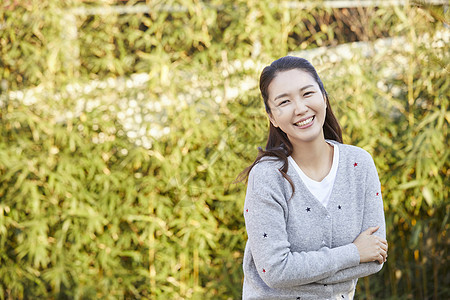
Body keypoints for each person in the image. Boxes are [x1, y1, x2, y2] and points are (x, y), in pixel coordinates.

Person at [239, 56, 387, 300]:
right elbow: (275, 272)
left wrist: (298, 274)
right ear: (272, 118)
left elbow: (375, 259)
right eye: (284, 101)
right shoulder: (267, 177)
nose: (300, 108)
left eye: (307, 93)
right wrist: (353, 253)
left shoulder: (359, 164)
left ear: (324, 98)